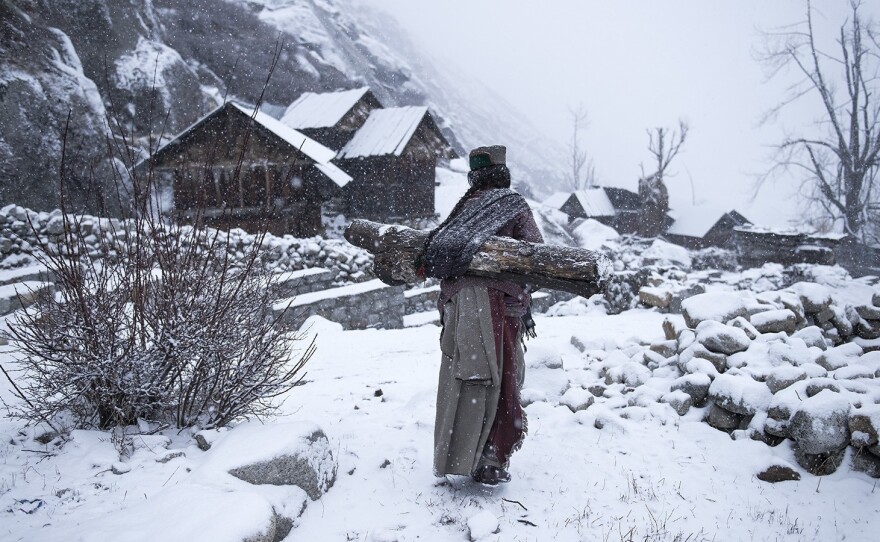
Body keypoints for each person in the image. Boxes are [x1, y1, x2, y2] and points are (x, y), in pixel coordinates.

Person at [420, 145, 543, 485]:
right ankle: (491, 458)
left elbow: (442, 259)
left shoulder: (463, 209)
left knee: (462, 379)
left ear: (474, 177)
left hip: (461, 309)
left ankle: (460, 454)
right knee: (501, 381)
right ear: (503, 175)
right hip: (499, 309)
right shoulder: (513, 206)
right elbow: (536, 256)